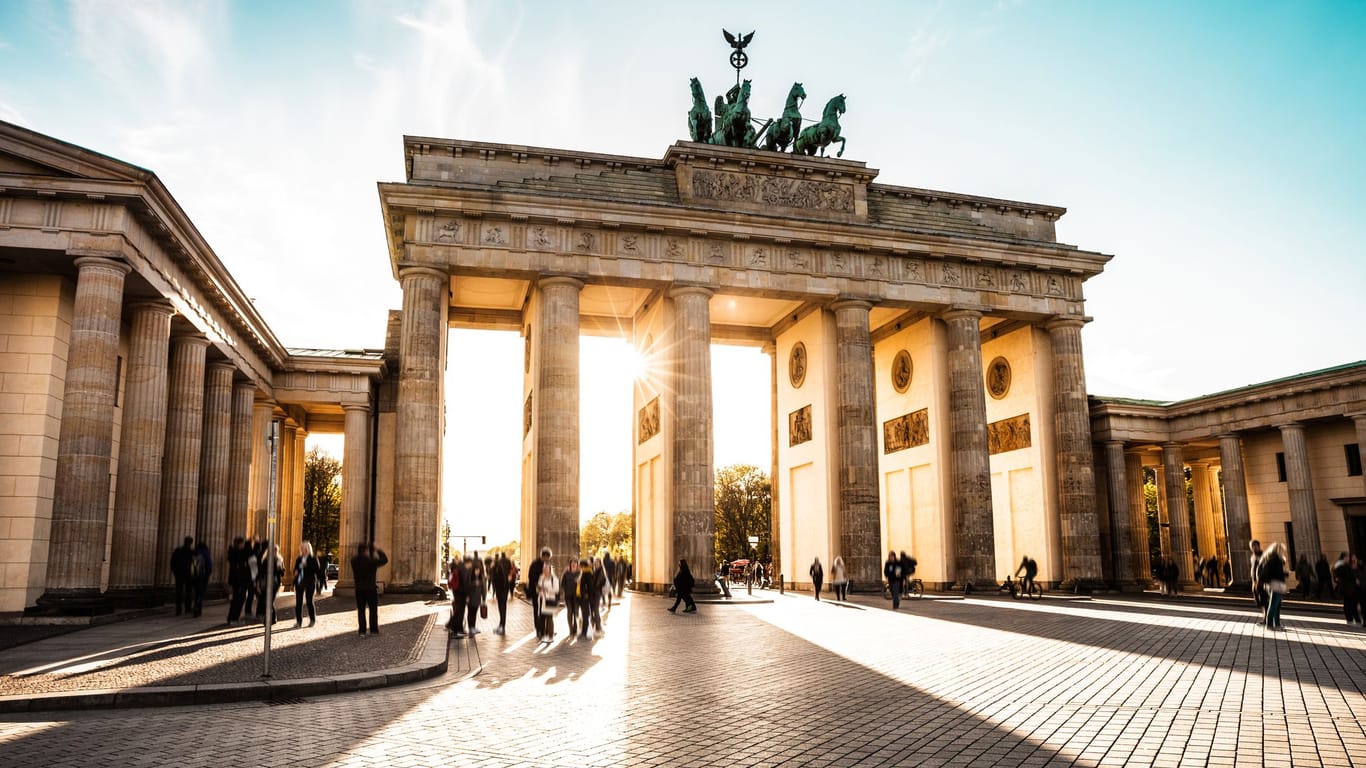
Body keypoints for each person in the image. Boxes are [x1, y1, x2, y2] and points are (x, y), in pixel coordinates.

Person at [351, 542, 388, 636]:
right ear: (366, 550)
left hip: (359, 589)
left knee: (361, 610)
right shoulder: (371, 560)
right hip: (370, 588)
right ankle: (373, 630)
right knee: (373, 610)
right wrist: (378, 550)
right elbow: (385, 560)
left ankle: (362, 631)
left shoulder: (354, 560)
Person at [528, 547, 557, 642]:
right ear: (542, 556)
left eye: (548, 557)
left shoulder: (548, 564)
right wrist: (539, 586)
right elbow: (531, 578)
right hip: (537, 592)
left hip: (547, 593)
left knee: (547, 612)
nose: (547, 559)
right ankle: (539, 630)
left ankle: (548, 630)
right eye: (545, 557)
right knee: (538, 611)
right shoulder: (535, 564)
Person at [1258, 542, 1289, 630]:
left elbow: (1274, 573)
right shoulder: (1275, 560)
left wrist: (1283, 574)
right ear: (1278, 550)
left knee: (1277, 605)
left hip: (1275, 584)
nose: (1283, 552)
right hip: (1276, 584)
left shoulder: (1272, 560)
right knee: (1274, 605)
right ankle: (1270, 624)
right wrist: (1283, 574)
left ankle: (1277, 624)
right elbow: (1274, 573)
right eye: (1282, 550)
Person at [293, 541, 322, 627]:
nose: (301, 549)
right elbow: (295, 570)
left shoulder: (313, 558)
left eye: (303, 548)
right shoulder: (299, 558)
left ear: (307, 549)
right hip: (299, 582)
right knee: (298, 602)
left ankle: (312, 620)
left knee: (309, 601)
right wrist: (295, 572)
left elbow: (318, 571)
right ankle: (299, 622)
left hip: (310, 582)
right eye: (301, 548)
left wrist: (307, 565)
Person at [255, 542, 284, 625]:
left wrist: (279, 568)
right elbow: (260, 572)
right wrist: (257, 582)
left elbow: (282, 573)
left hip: (275, 583)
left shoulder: (279, 560)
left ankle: (270, 619)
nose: (275, 552)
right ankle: (271, 618)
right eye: (273, 551)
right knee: (267, 601)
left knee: (270, 601)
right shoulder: (265, 560)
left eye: (276, 551)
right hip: (265, 583)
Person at [226, 536, 251, 625]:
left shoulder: (233, 553)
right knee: (238, 599)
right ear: (240, 544)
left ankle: (231, 618)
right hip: (240, 580)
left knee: (236, 599)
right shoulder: (238, 554)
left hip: (236, 580)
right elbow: (247, 555)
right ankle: (234, 618)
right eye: (243, 544)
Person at [447, 554, 472, 636]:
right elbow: (465, 584)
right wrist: (468, 595)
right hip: (461, 594)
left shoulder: (459, 567)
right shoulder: (464, 569)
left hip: (457, 592)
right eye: (470, 563)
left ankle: (453, 627)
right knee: (461, 611)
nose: (471, 565)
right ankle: (459, 630)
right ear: (468, 563)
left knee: (458, 611)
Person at [170, 536, 195, 616]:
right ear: (191, 543)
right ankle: (187, 608)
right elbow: (194, 565)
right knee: (188, 592)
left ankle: (178, 609)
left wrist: (175, 572)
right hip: (188, 574)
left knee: (179, 591)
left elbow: (173, 562)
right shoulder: (192, 552)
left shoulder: (178, 551)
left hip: (179, 574)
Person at [1332, 552, 1359, 625]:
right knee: (1348, 603)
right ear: (1344, 558)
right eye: (1347, 557)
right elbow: (1338, 575)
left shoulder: (1345, 565)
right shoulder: (1342, 566)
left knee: (1350, 603)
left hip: (1349, 588)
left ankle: (1352, 619)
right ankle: (1350, 619)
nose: (1348, 558)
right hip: (1346, 588)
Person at [490, 551, 512, 634]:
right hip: (505, 588)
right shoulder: (507, 561)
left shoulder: (497, 565)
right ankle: (501, 625)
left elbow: (499, 577)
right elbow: (509, 572)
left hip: (501, 589)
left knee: (501, 607)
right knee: (503, 607)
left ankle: (502, 626)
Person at [190, 539, 212, 618]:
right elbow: (209, 566)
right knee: (200, 593)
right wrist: (207, 575)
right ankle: (197, 608)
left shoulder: (194, 553)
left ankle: (195, 606)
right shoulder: (206, 554)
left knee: (196, 592)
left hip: (194, 576)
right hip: (202, 576)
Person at [1249, 540, 1266, 619]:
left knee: (1264, 599)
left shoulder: (1263, 556)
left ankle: (1266, 617)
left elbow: (1264, 568)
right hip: (1254, 580)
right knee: (1258, 599)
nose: (1254, 548)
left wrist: (1262, 579)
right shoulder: (1253, 557)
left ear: (1259, 546)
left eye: (1255, 546)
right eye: (1253, 546)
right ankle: (1265, 616)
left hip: (1262, 580)